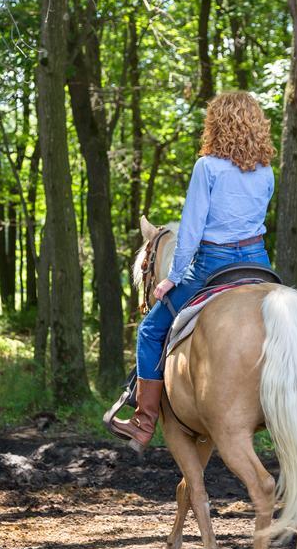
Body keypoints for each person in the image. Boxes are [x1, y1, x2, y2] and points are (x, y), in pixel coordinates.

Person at [107, 91, 276, 452]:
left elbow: (192, 229)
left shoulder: (207, 167)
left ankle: (143, 422)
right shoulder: (265, 171)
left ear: (216, 124)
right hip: (258, 263)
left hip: (213, 264)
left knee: (151, 330)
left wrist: (172, 276)